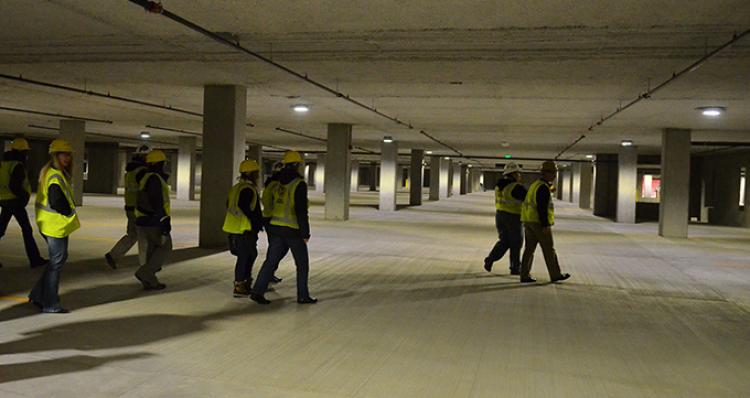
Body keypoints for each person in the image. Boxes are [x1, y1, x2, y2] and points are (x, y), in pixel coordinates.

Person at [251, 151, 316, 305]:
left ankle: (257, 291)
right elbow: (301, 211)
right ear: (297, 165)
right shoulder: (298, 184)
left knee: (270, 262)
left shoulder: (278, 182)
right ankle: (302, 295)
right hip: (292, 230)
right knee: (302, 265)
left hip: (276, 227)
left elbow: (270, 202)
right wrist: (305, 232)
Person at [29, 139, 80, 313]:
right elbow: (56, 200)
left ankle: (37, 294)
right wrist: (67, 212)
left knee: (57, 261)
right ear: (55, 155)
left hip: (53, 224)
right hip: (54, 225)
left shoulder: (54, 173)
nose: (67, 158)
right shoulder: (54, 176)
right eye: (64, 154)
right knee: (56, 263)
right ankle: (50, 303)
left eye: (68, 155)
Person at [519, 161, 571, 283]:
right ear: (545, 173)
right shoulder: (542, 188)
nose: (554, 175)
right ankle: (555, 274)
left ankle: (524, 275)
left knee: (529, 249)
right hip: (538, 222)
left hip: (528, 221)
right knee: (549, 249)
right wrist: (545, 225)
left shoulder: (536, 185)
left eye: (555, 172)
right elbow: (542, 207)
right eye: (552, 172)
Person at [0, 138, 48, 269]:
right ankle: (35, 259)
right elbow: (15, 185)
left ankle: (35, 259)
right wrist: (24, 196)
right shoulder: (17, 165)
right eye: (25, 152)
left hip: (4, 200)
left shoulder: (4, 163)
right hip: (15, 202)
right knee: (27, 230)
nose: (27, 155)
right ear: (21, 152)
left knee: (1, 229)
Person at [104, 144, 151, 269]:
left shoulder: (130, 171)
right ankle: (145, 265)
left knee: (132, 234)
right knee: (143, 237)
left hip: (130, 206)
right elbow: (144, 191)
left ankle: (113, 255)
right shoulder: (142, 172)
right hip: (138, 208)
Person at [223, 159, 264, 297]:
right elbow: (245, 207)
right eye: (256, 173)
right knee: (245, 256)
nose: (258, 175)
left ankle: (244, 281)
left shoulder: (236, 188)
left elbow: (228, 205)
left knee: (249, 255)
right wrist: (256, 221)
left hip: (234, 228)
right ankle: (240, 284)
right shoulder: (247, 189)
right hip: (244, 229)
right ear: (251, 173)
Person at [133, 149, 171, 290]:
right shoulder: (154, 179)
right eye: (162, 163)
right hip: (153, 220)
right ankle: (145, 273)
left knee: (153, 250)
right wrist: (163, 220)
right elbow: (156, 201)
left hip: (144, 219)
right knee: (165, 248)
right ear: (157, 164)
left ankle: (150, 280)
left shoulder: (145, 177)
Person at [484, 162, 526, 275]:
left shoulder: (499, 186)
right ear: (513, 174)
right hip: (513, 217)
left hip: (500, 216)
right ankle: (515, 267)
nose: (520, 175)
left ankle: (490, 259)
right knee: (516, 243)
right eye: (518, 173)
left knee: (504, 241)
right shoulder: (516, 187)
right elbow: (528, 198)